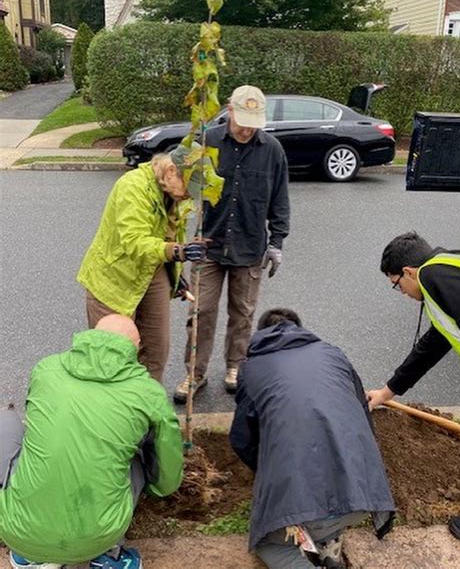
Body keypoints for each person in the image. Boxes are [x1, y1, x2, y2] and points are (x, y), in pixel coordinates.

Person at [0, 315, 184, 569]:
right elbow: (167, 473)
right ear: (136, 347)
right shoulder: (148, 392)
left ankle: (31, 555)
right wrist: (159, 490)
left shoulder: (46, 369)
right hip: (97, 538)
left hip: (18, 533)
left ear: (90, 337)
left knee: (6, 421)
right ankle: (108, 556)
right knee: (138, 459)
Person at [230, 308, 395, 569]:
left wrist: (266, 468)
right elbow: (363, 415)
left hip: (312, 504)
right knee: (325, 504)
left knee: (269, 545)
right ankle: (328, 544)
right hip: (364, 494)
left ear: (261, 336)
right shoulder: (333, 354)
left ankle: (318, 537)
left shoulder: (252, 369)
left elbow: (242, 439)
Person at [174, 85, 290, 402]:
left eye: (254, 121)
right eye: (242, 119)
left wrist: (277, 242)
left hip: (250, 246)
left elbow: (280, 201)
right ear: (230, 110)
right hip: (208, 245)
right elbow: (179, 186)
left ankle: (235, 368)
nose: (247, 128)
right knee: (201, 312)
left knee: (242, 314)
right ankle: (194, 374)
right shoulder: (207, 141)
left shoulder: (272, 150)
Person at [366, 231, 460, 546]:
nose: (401, 292)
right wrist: (387, 392)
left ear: (409, 273)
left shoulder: (434, 276)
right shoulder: (446, 269)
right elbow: (434, 344)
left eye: (397, 285)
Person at [77, 145, 210, 382]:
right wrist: (178, 252)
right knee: (110, 357)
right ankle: (112, 415)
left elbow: (170, 234)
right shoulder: (133, 186)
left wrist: (174, 272)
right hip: (114, 278)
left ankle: (146, 411)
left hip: (152, 270)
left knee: (156, 352)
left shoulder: (172, 193)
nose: (190, 195)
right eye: (189, 188)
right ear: (171, 171)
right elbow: (134, 242)